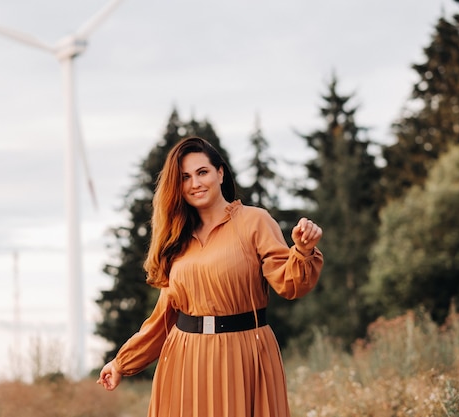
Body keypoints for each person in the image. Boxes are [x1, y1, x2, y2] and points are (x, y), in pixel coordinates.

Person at [97, 136, 323, 417]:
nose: (195, 183)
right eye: (185, 177)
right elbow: (163, 318)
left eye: (202, 172)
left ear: (220, 172)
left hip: (245, 356)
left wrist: (302, 251)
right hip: (185, 360)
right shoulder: (176, 239)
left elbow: (290, 285)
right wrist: (121, 363)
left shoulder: (255, 221)